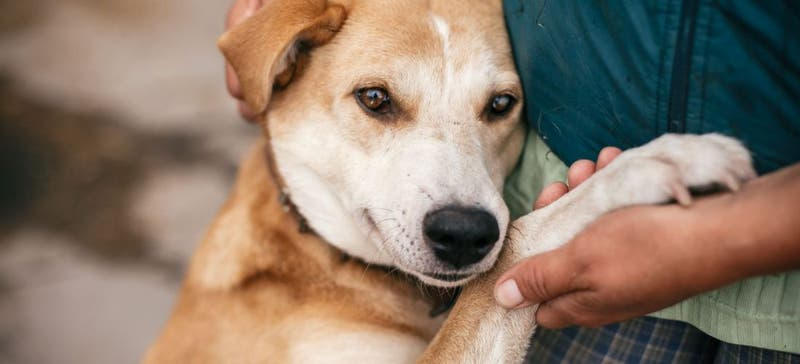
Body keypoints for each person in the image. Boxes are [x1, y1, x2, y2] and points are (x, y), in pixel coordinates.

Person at [225, 1, 800, 362]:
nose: (455, 199)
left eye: (497, 105)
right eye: (378, 101)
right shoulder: (253, 307)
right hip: (585, 232)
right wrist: (560, 225)